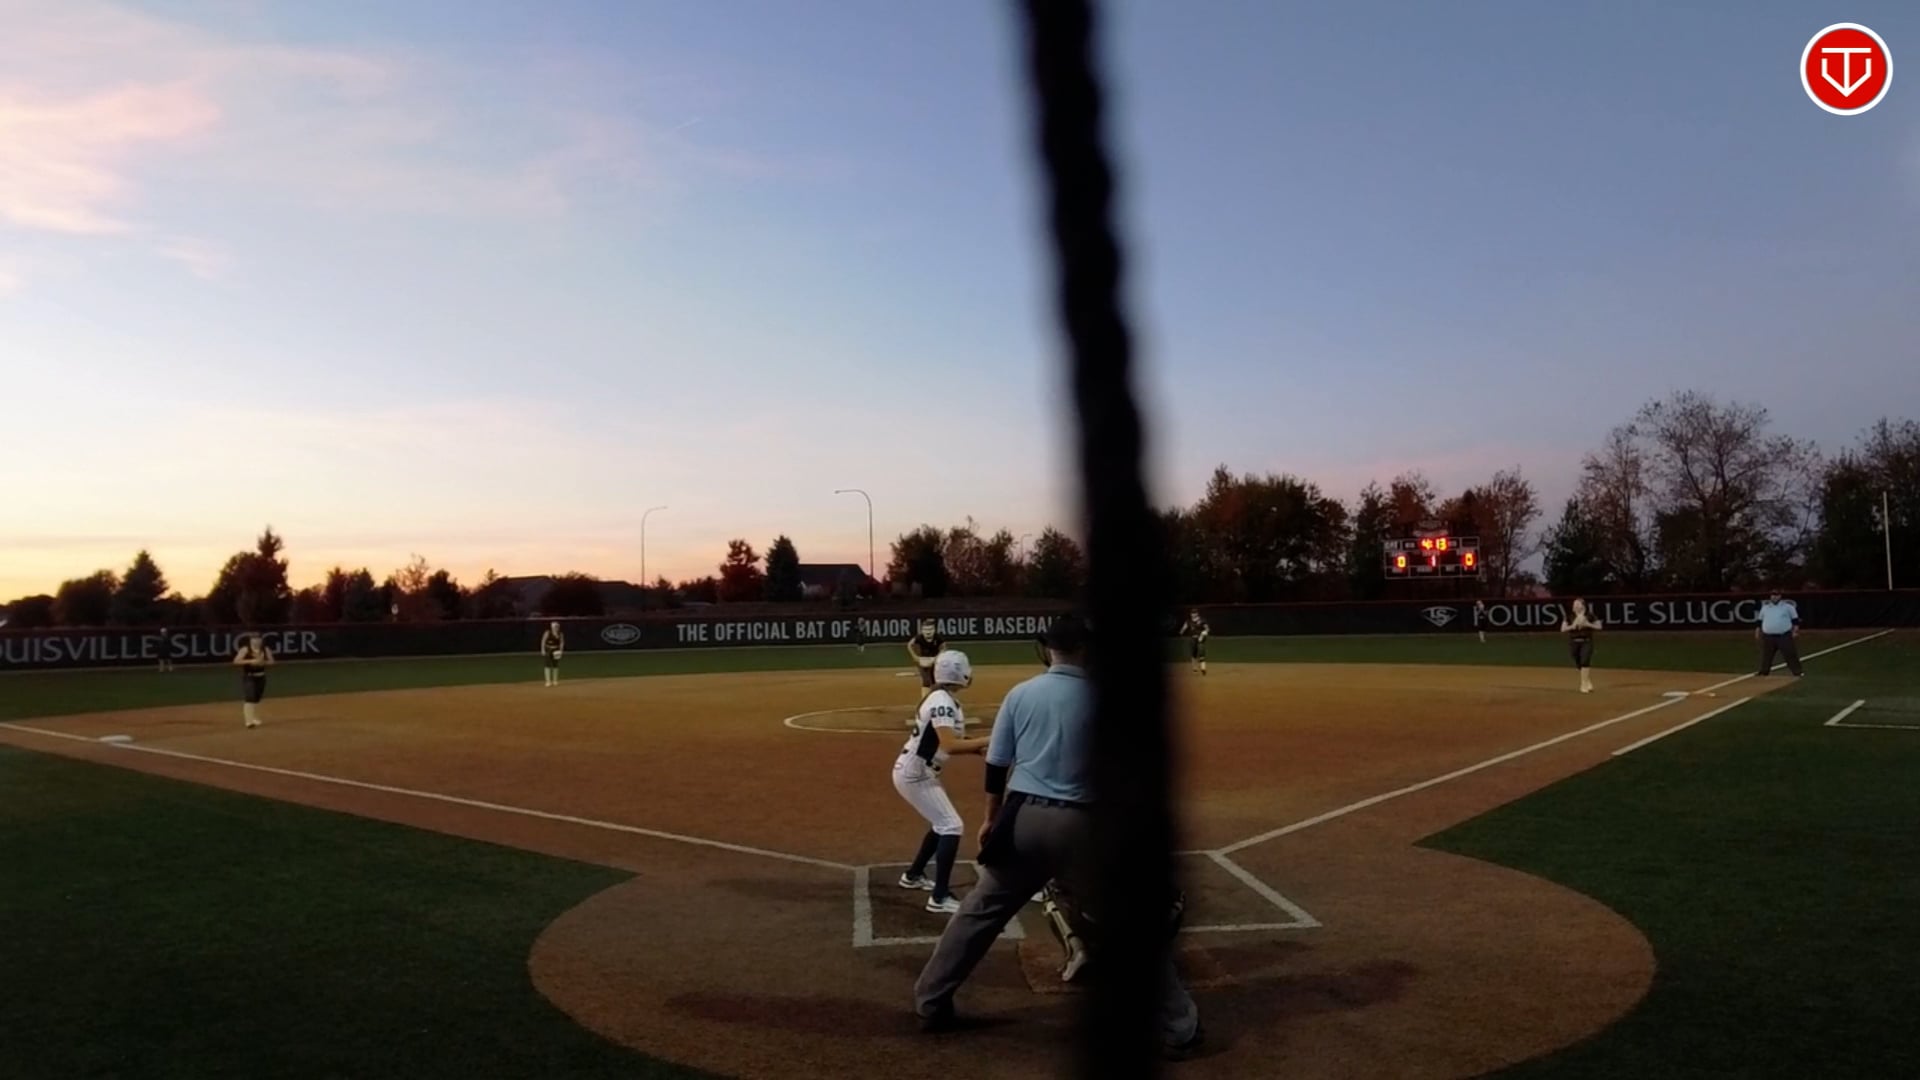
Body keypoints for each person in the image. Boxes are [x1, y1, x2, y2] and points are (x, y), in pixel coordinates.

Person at [912, 615, 1201, 1057]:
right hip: (1084, 827)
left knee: (979, 912)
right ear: (1087, 650)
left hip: (1023, 819)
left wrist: (991, 819)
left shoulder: (1020, 693)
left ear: (1047, 649)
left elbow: (996, 765)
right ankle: (1179, 1027)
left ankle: (930, 1001)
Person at [894, 650, 992, 913]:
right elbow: (949, 745)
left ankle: (913, 875)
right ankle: (939, 897)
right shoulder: (942, 702)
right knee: (951, 825)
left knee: (941, 824)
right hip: (916, 774)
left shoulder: (941, 697)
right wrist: (988, 740)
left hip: (917, 770)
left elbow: (946, 742)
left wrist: (977, 749)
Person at [1755, 590, 1804, 677]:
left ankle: (1797, 672)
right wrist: (1757, 631)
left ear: (1780, 596)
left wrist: (1795, 631)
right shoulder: (1765, 608)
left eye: (1776, 595)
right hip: (1768, 636)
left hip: (1783, 635)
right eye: (1773, 595)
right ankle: (1764, 671)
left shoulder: (1788, 607)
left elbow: (1795, 621)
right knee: (1766, 655)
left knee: (1790, 653)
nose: (1774, 597)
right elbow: (1760, 621)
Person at [1560, 598, 1602, 694]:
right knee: (1577, 661)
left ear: (1583, 606)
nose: (1575, 606)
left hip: (1586, 641)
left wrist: (1588, 624)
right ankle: (1587, 680)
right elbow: (1563, 629)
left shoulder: (1590, 615)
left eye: (1577, 604)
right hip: (1574, 642)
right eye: (1574, 604)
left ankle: (1583, 685)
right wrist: (1572, 626)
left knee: (1585, 660)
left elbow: (1599, 626)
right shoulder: (1569, 616)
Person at [232, 632, 273, 728]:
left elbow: (271, 661)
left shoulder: (265, 649)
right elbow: (236, 661)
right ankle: (249, 721)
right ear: (250, 640)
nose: (256, 641)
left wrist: (263, 662)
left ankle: (255, 717)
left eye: (258, 639)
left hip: (261, 676)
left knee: (257, 698)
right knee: (250, 696)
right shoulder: (246, 649)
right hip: (249, 676)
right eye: (254, 639)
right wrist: (251, 661)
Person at [907, 619, 945, 700]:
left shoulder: (937, 637)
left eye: (930, 629)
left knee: (934, 679)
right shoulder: (919, 637)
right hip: (923, 660)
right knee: (926, 680)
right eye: (926, 629)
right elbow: (910, 644)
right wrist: (915, 657)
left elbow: (943, 647)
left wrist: (937, 658)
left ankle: (936, 698)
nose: (928, 632)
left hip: (934, 660)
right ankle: (925, 700)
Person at [1178, 609, 1209, 675]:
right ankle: (1195, 668)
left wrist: (1205, 632)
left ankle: (1203, 668)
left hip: (1200, 638)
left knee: (1201, 651)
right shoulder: (1188, 621)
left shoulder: (1202, 620)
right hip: (1192, 638)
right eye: (1192, 613)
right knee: (1194, 653)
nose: (1193, 614)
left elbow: (1207, 628)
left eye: (1194, 613)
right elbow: (1184, 628)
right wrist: (1180, 633)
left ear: (1197, 614)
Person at [540, 621, 565, 686]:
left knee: (555, 665)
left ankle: (555, 680)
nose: (556, 628)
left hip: (556, 650)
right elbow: (543, 641)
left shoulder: (560, 634)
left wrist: (561, 650)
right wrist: (542, 650)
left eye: (557, 627)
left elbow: (562, 642)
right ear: (552, 627)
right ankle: (548, 681)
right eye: (555, 627)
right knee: (547, 664)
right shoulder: (548, 633)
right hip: (548, 649)